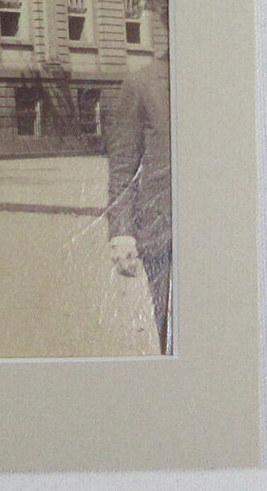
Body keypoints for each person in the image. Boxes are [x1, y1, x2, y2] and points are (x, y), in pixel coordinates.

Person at [104, 52, 172, 353]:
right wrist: (122, 231)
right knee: (174, 335)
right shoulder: (142, 83)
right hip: (166, 233)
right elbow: (123, 165)